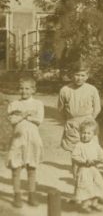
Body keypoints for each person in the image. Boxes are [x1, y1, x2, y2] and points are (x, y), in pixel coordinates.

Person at [58, 62, 101, 186]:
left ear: (87, 76)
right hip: (72, 124)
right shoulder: (65, 90)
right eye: (77, 75)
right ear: (72, 75)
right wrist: (68, 121)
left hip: (88, 123)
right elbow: (60, 109)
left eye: (82, 75)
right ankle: (78, 181)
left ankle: (93, 181)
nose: (79, 78)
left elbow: (97, 108)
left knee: (91, 152)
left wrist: (90, 122)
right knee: (76, 154)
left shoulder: (92, 89)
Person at [6, 77, 44, 208]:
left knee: (32, 168)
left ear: (33, 90)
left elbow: (38, 119)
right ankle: (17, 195)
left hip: (33, 139)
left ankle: (31, 195)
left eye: (27, 88)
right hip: (18, 139)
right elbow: (12, 120)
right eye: (21, 88)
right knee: (16, 168)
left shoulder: (38, 104)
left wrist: (22, 115)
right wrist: (26, 114)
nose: (24, 91)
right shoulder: (14, 104)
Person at [71, 119, 103, 212]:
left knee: (97, 185)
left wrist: (99, 160)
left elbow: (101, 155)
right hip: (84, 170)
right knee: (85, 187)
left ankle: (94, 203)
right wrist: (83, 161)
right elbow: (74, 156)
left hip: (94, 169)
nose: (85, 135)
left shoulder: (95, 145)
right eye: (83, 133)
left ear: (94, 134)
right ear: (80, 133)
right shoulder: (79, 145)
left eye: (88, 133)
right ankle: (85, 204)